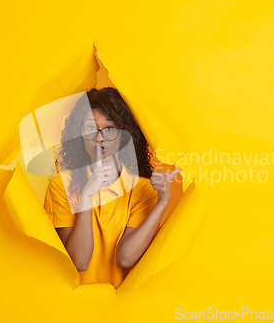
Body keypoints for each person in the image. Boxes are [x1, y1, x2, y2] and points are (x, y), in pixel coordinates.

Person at [43, 87, 181, 288]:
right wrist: (87, 195)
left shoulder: (142, 190)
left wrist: (163, 202)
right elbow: (79, 262)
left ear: (124, 135)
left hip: (122, 308)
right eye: (91, 128)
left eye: (109, 129)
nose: (100, 137)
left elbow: (125, 258)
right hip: (72, 306)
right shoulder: (60, 186)